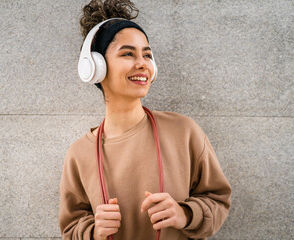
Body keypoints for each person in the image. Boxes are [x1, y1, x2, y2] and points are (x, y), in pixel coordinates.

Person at [59, 0, 232, 239]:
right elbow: (71, 227)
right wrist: (93, 232)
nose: (142, 63)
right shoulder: (78, 154)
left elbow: (217, 199)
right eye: (128, 53)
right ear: (96, 67)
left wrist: (186, 214)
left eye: (147, 55)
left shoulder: (184, 131)